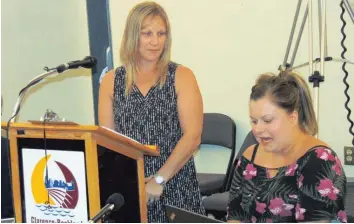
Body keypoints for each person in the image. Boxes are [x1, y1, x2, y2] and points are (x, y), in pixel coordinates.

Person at [98, 1, 205, 222]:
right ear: (132, 36)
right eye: (147, 34)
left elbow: (193, 137)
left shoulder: (181, 76)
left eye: (161, 33)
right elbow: (107, 143)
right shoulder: (111, 81)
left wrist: (158, 180)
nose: (155, 41)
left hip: (174, 184)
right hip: (129, 189)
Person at [227, 71, 347, 223]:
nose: (257, 130)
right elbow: (235, 216)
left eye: (268, 120)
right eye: (254, 121)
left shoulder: (320, 160)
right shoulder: (249, 157)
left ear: (293, 118)